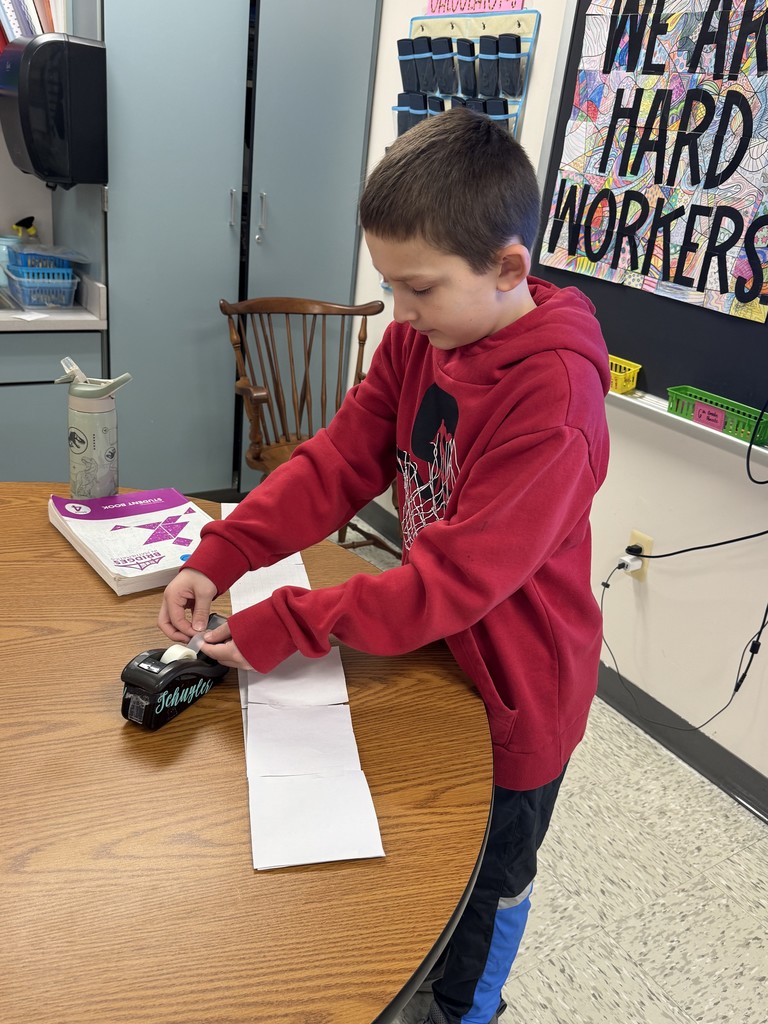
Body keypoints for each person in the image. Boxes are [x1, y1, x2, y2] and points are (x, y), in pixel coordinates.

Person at [158, 107, 610, 1024]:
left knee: (487, 889)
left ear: (509, 269)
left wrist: (287, 623)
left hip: (518, 695)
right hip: (435, 660)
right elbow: (340, 458)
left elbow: (451, 582)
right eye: (388, 286)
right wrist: (229, 549)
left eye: (419, 289)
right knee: (414, 871)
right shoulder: (426, 336)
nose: (397, 315)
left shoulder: (555, 399)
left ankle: (464, 1010)